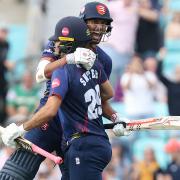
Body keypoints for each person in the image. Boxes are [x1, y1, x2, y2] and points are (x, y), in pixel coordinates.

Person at [0, 2, 129, 179]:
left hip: (75, 128)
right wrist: (68, 58)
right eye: (94, 21)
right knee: (12, 175)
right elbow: (40, 74)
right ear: (82, 22)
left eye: (103, 22)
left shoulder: (103, 61)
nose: (99, 27)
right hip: (48, 120)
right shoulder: (61, 42)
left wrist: (116, 118)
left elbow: (99, 99)